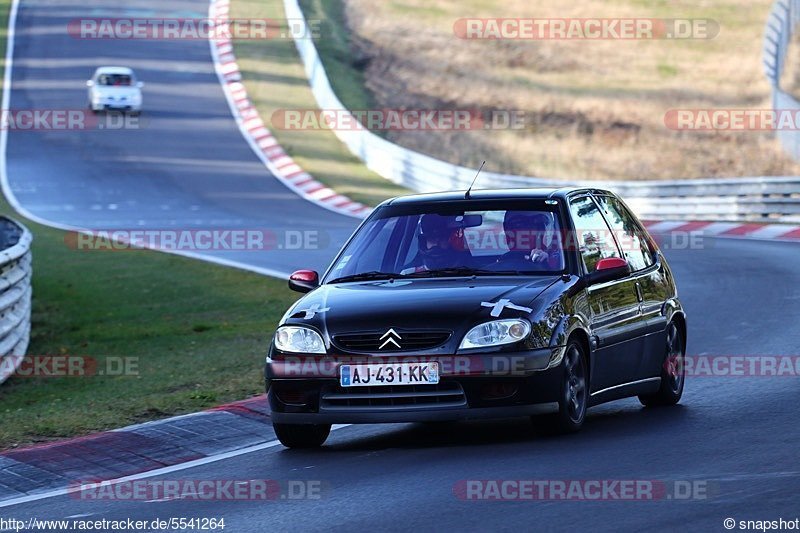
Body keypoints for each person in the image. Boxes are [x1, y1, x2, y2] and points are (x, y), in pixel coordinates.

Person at [402, 214, 471, 273]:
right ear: (424, 243)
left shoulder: (469, 268)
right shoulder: (407, 274)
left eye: (441, 239)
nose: (436, 244)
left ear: (448, 240)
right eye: (431, 240)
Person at [495, 211, 562, 270]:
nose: (525, 233)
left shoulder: (561, 260)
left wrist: (546, 262)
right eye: (518, 225)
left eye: (536, 225)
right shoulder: (502, 261)